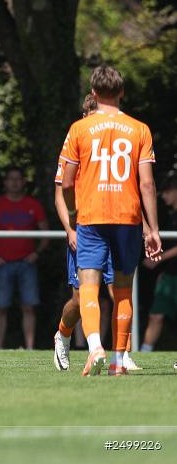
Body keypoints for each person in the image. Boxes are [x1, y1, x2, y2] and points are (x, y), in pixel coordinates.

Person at [59, 65, 162, 376]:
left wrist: (73, 215)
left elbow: (66, 183)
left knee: (88, 285)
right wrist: (153, 229)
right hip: (128, 217)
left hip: (92, 216)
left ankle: (95, 347)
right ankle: (118, 360)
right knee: (123, 289)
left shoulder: (79, 129)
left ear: (93, 92)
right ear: (122, 92)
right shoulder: (140, 129)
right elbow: (147, 184)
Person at [51, 94, 140, 371]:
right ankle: (63, 333)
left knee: (118, 292)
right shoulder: (76, 139)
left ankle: (120, 354)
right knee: (80, 299)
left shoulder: (113, 143)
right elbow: (60, 192)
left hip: (112, 225)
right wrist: (70, 229)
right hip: (84, 228)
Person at [0, 166, 49, 350]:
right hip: (2, 263)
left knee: (29, 307)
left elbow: (46, 233)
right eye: (11, 178)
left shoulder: (33, 205)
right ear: (5, 182)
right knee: (0, 307)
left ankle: (30, 348)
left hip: (27, 263)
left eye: (18, 179)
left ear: (24, 182)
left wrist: (36, 253)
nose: (15, 182)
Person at [140, 174, 177, 352]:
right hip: (169, 276)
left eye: (168, 191)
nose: (163, 196)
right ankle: (144, 353)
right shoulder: (171, 216)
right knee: (156, 315)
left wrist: (158, 259)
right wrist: (164, 271)